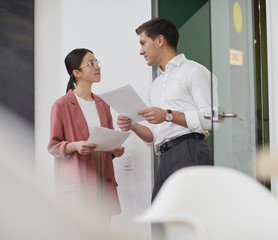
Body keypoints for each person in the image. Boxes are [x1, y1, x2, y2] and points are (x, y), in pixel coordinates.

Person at [117, 18, 218, 201]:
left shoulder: (194, 71)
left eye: (143, 43)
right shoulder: (155, 86)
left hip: (190, 150)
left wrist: (167, 115)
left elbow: (211, 119)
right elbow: (155, 136)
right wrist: (132, 125)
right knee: (161, 223)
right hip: (165, 156)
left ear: (160, 40)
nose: (141, 52)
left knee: (187, 217)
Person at [48, 48, 124, 225]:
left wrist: (115, 150)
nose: (97, 67)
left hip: (102, 181)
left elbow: (107, 139)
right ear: (76, 73)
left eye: (97, 62)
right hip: (78, 184)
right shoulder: (61, 105)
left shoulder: (102, 104)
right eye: (91, 63)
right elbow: (53, 146)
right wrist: (75, 146)